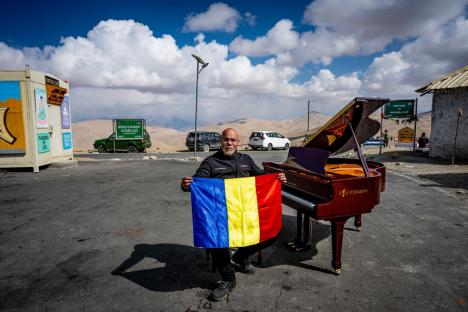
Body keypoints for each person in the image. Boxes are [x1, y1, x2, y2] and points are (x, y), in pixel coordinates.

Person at [181, 128, 287, 301]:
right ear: (221, 140)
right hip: (221, 215)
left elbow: (261, 177)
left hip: (246, 212)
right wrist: (186, 185)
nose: (229, 143)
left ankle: (241, 255)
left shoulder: (246, 159)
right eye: (226, 139)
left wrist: (276, 178)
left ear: (238, 143)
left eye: (233, 140)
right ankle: (229, 279)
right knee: (214, 239)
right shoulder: (210, 162)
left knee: (272, 232)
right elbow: (196, 181)